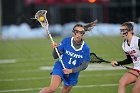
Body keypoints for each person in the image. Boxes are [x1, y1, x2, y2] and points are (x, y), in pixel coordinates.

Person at [39, 22, 96, 93]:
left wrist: (71, 71)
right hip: (60, 67)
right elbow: (55, 56)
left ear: (83, 34)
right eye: (76, 32)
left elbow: (84, 65)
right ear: (73, 32)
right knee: (52, 89)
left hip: (73, 73)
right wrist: (55, 48)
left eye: (81, 32)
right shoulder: (66, 41)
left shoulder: (86, 48)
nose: (78, 34)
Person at [111, 22, 140, 93]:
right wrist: (118, 63)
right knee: (122, 82)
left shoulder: (137, 41)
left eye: (123, 30)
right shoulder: (124, 45)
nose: (121, 33)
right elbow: (129, 60)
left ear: (130, 31)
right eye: (121, 31)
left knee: (135, 90)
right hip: (137, 69)